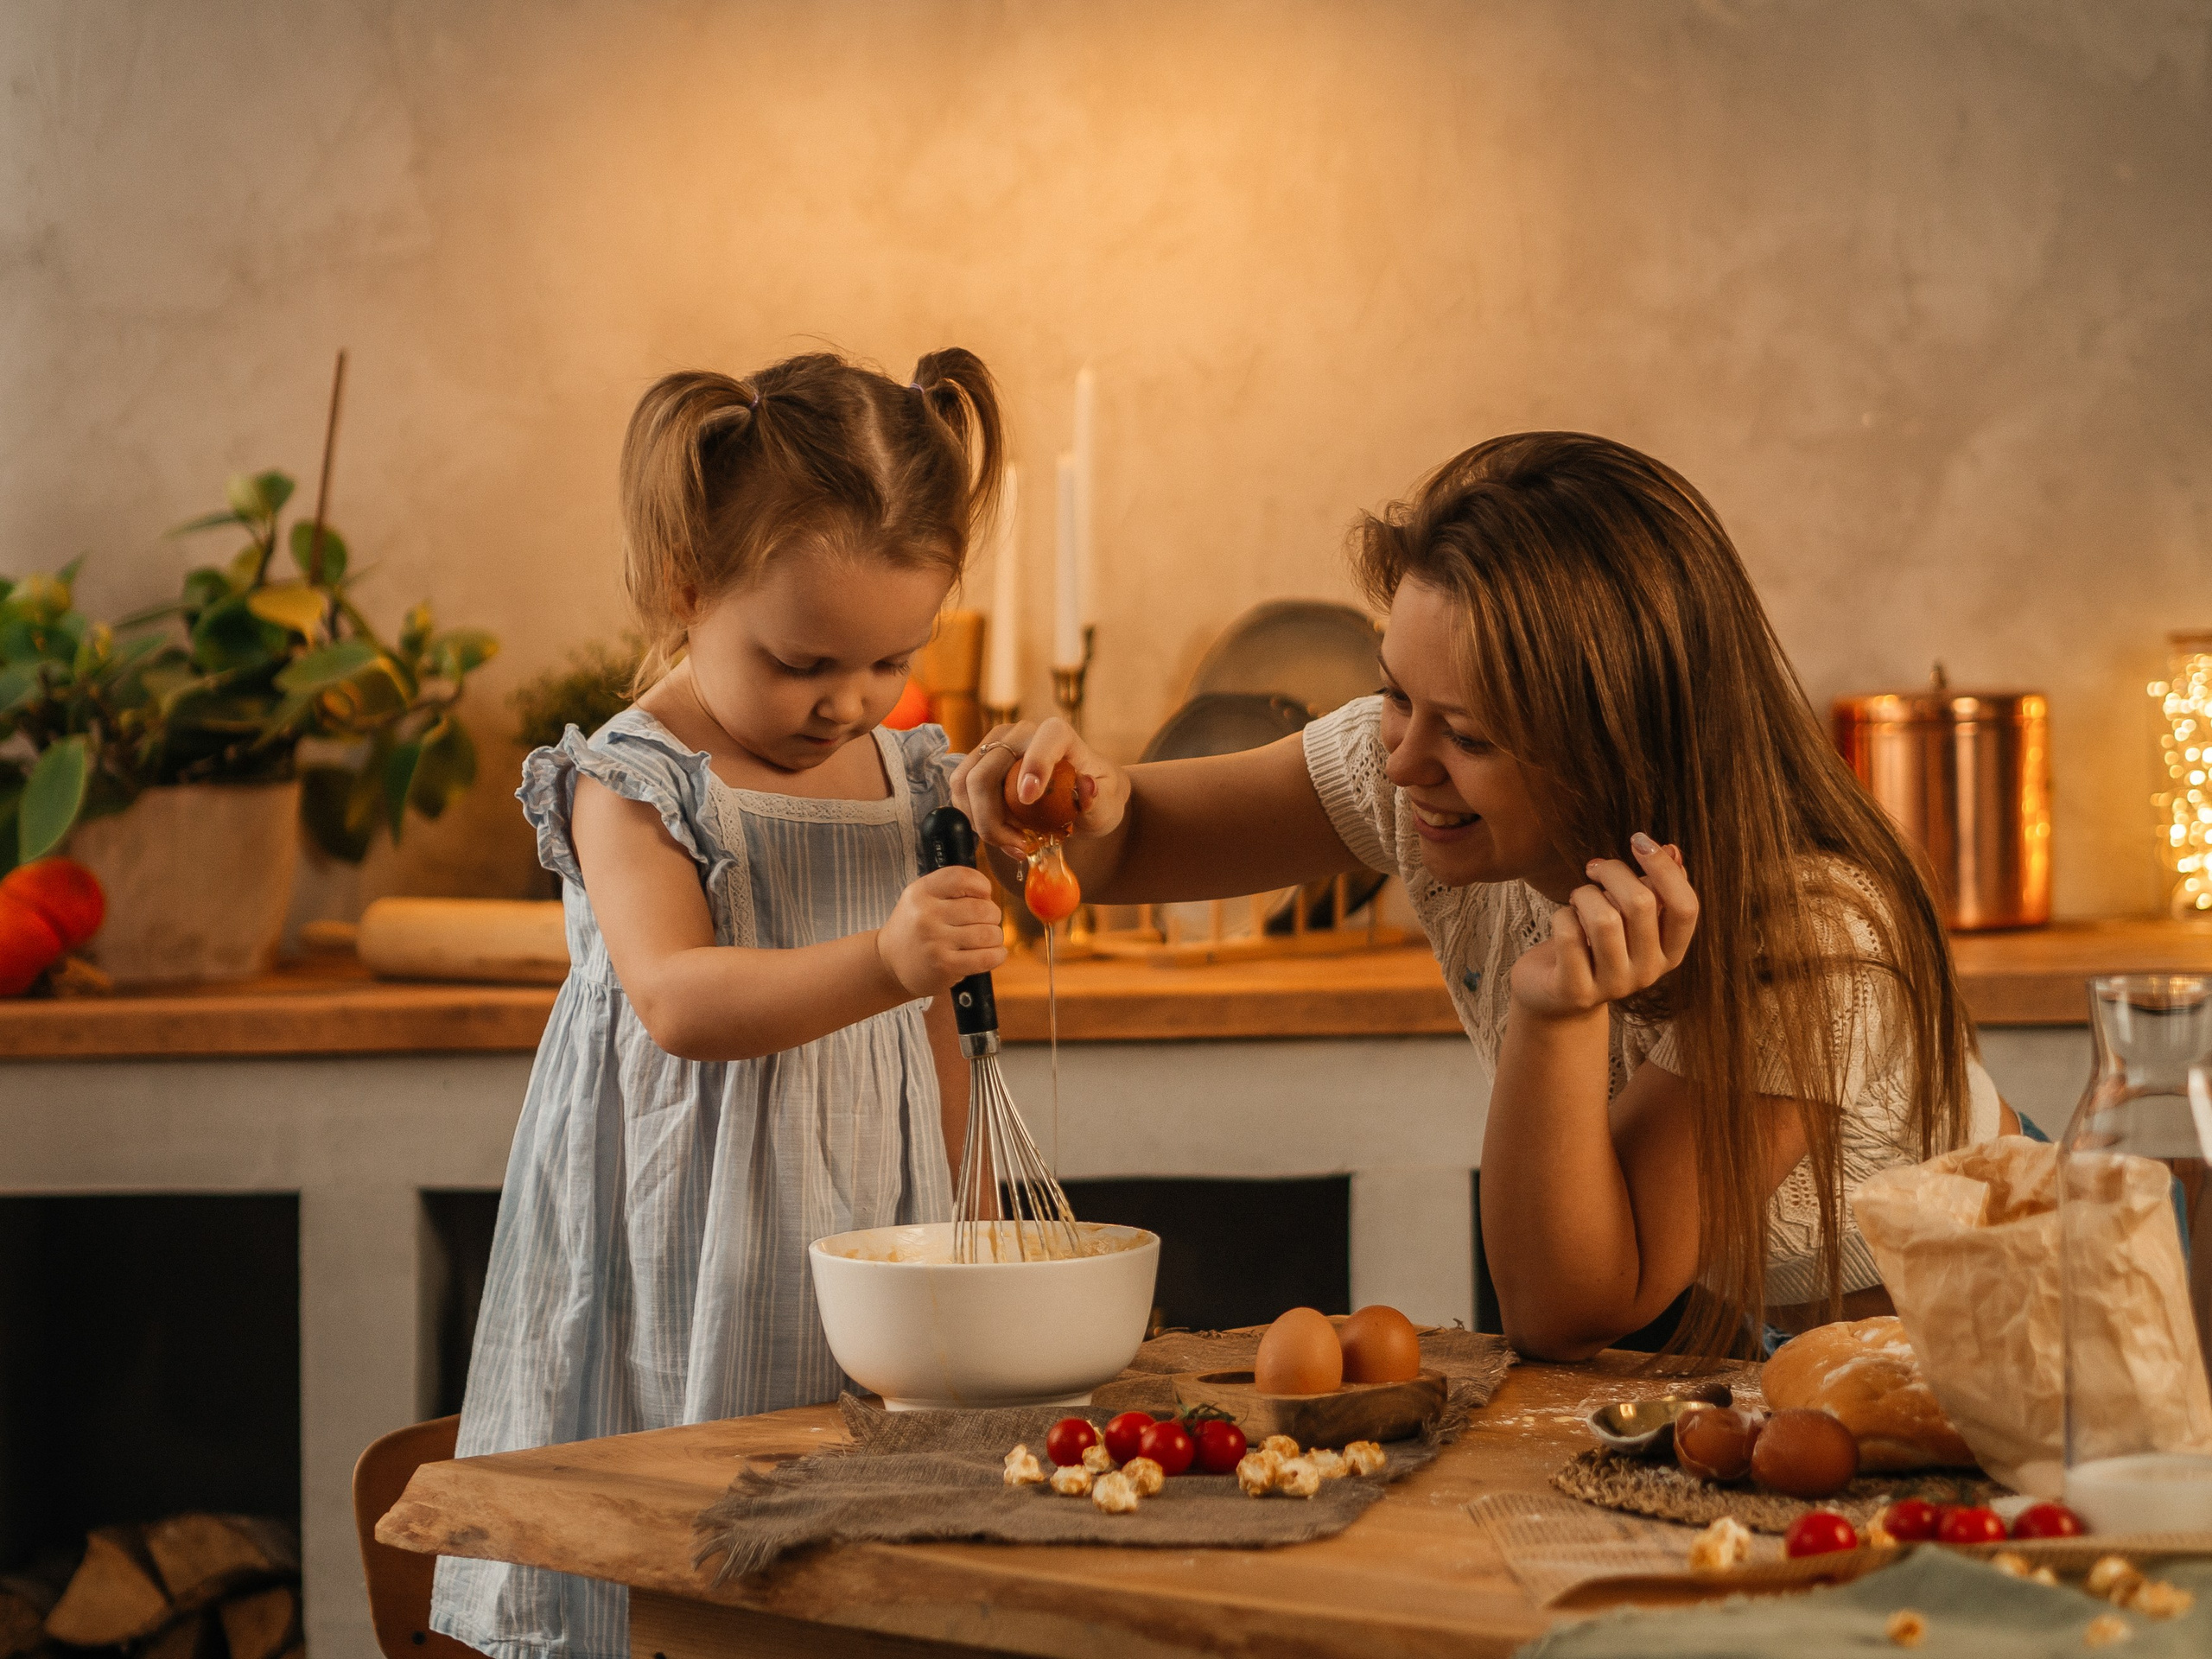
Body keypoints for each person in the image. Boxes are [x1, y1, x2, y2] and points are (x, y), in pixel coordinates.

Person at [953, 431, 2013, 1367]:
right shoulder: (1413, 775)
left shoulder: (1809, 939)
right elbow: (1130, 846)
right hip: (1799, 1341)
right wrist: (1057, 806)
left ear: (1617, 745)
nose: (1403, 762)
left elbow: (1567, 1308)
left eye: (1468, 735)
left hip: (1990, 1324)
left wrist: (1553, 1012)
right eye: (1395, 693)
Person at [432, 351, 1009, 1659]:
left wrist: (970, 1214)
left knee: (856, 1557)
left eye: (892, 660)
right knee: (690, 1538)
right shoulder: (636, 778)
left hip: (875, 1226)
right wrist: (887, 959)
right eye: (804, 661)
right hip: (687, 1233)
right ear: (687, 585)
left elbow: (936, 1035)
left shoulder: (910, 779)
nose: (849, 701)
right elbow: (679, 1000)